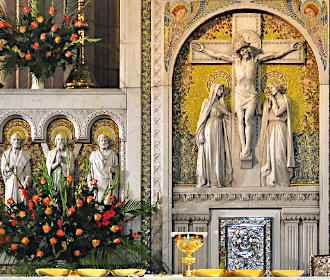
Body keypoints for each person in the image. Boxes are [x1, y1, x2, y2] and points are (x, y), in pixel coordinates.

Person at [194, 38, 302, 159]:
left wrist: (290, 49)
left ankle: (247, 148)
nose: (244, 53)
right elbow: (219, 56)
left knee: (248, 118)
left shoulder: (256, 60)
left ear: (249, 50)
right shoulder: (236, 61)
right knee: (240, 119)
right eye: (241, 51)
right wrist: (204, 50)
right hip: (239, 94)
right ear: (239, 52)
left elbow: (274, 55)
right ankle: (244, 145)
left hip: (251, 95)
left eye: (245, 50)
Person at [195, 83, 232, 188]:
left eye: (222, 89)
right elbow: (202, 118)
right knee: (210, 153)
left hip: (219, 130)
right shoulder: (207, 102)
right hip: (209, 129)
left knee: (218, 154)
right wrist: (200, 133)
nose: (221, 91)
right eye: (220, 88)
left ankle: (217, 181)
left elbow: (229, 116)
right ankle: (210, 181)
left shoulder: (221, 104)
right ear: (215, 89)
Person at [260, 82, 294, 187]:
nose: (270, 90)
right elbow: (265, 113)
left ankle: (283, 180)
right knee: (271, 152)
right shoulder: (269, 101)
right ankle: (271, 179)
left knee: (280, 153)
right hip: (271, 128)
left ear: (277, 87)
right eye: (269, 88)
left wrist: (274, 101)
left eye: (272, 87)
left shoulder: (285, 100)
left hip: (280, 127)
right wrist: (267, 105)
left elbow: (278, 112)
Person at [1, 134, 31, 204]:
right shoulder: (6, 154)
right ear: (11, 141)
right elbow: (3, 169)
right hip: (10, 181)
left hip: (21, 181)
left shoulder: (25, 156)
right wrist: (8, 169)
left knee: (21, 203)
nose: (16, 141)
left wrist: (27, 181)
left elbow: (28, 172)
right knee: (10, 202)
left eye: (18, 139)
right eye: (14, 139)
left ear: (21, 142)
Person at [88, 134, 119, 202]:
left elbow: (117, 170)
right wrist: (89, 182)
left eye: (105, 140)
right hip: (97, 183)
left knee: (108, 203)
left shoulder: (113, 154)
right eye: (102, 140)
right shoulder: (93, 154)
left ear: (108, 142)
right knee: (97, 202)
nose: (103, 142)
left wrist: (112, 170)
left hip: (108, 182)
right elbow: (89, 171)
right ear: (99, 142)